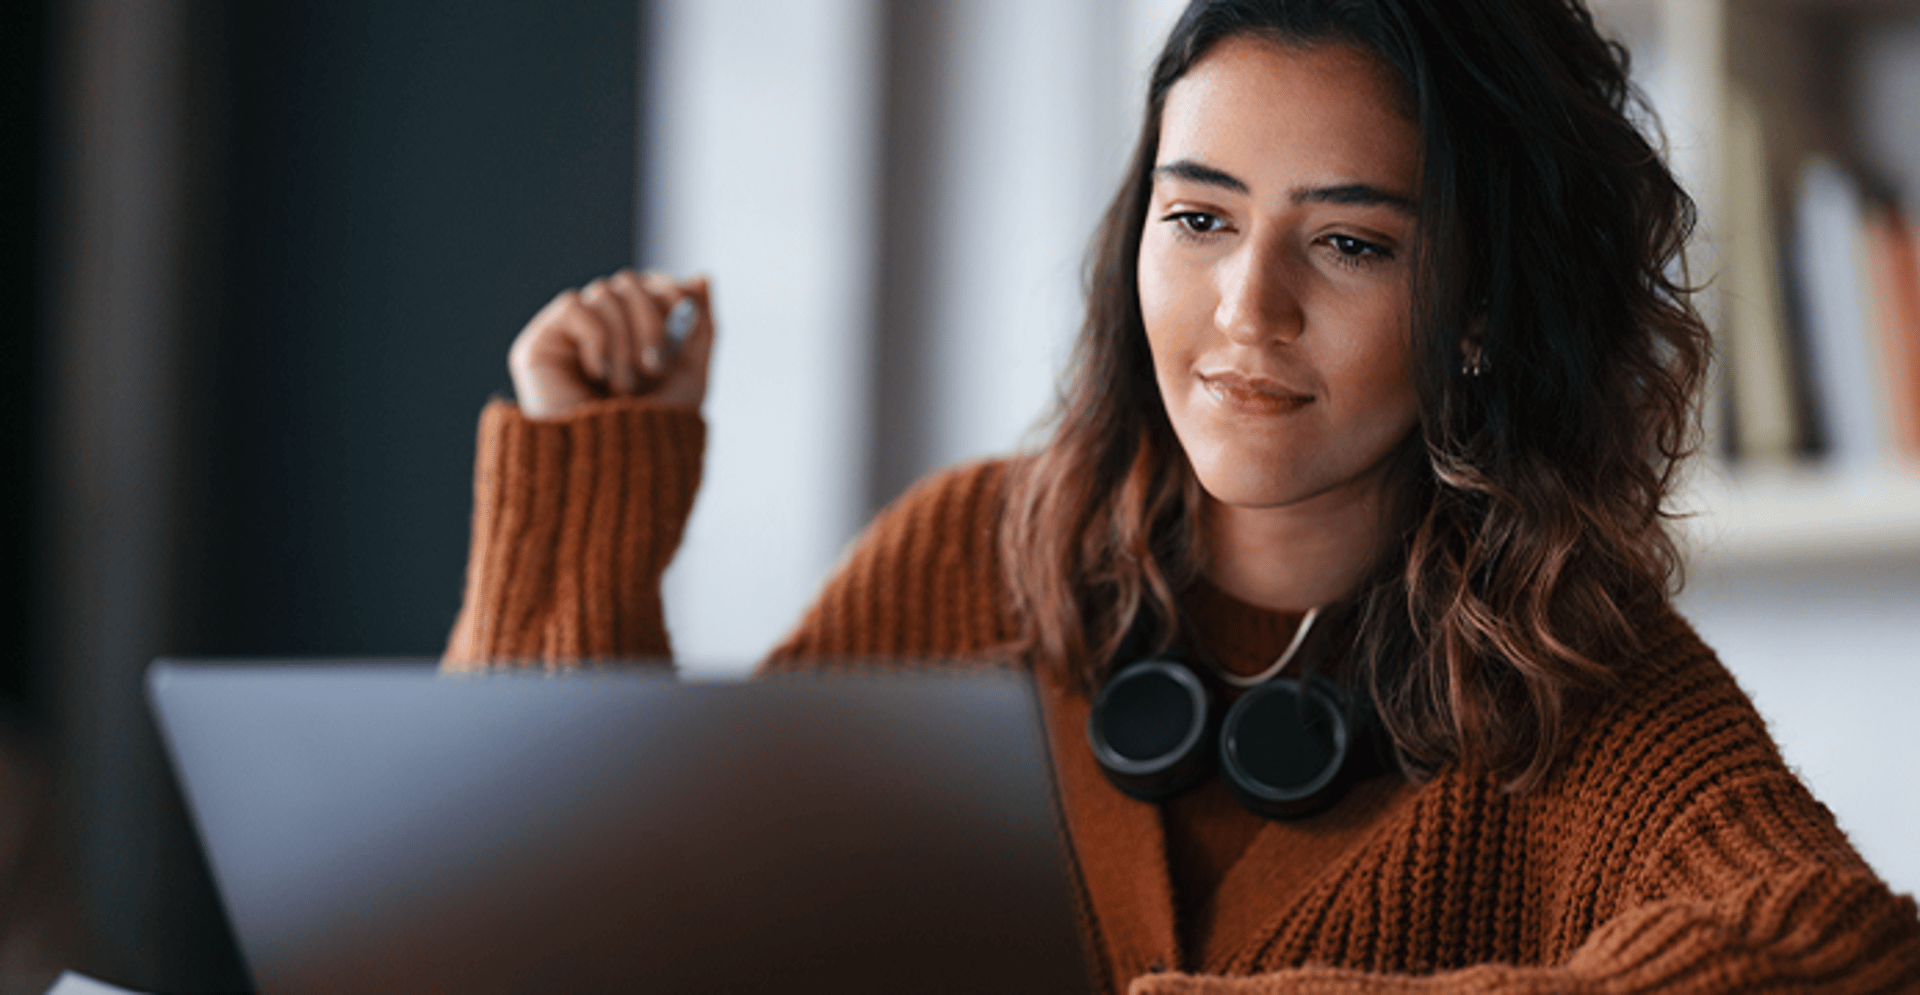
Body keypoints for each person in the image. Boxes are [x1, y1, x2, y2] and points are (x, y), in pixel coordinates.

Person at [444, 0, 1920, 990]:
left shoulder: (1574, 683)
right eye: (1200, 217)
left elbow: (1844, 948)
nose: (1244, 310)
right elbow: (565, 927)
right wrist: (587, 489)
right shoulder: (976, 556)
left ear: (1481, 307)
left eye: (1350, 245)